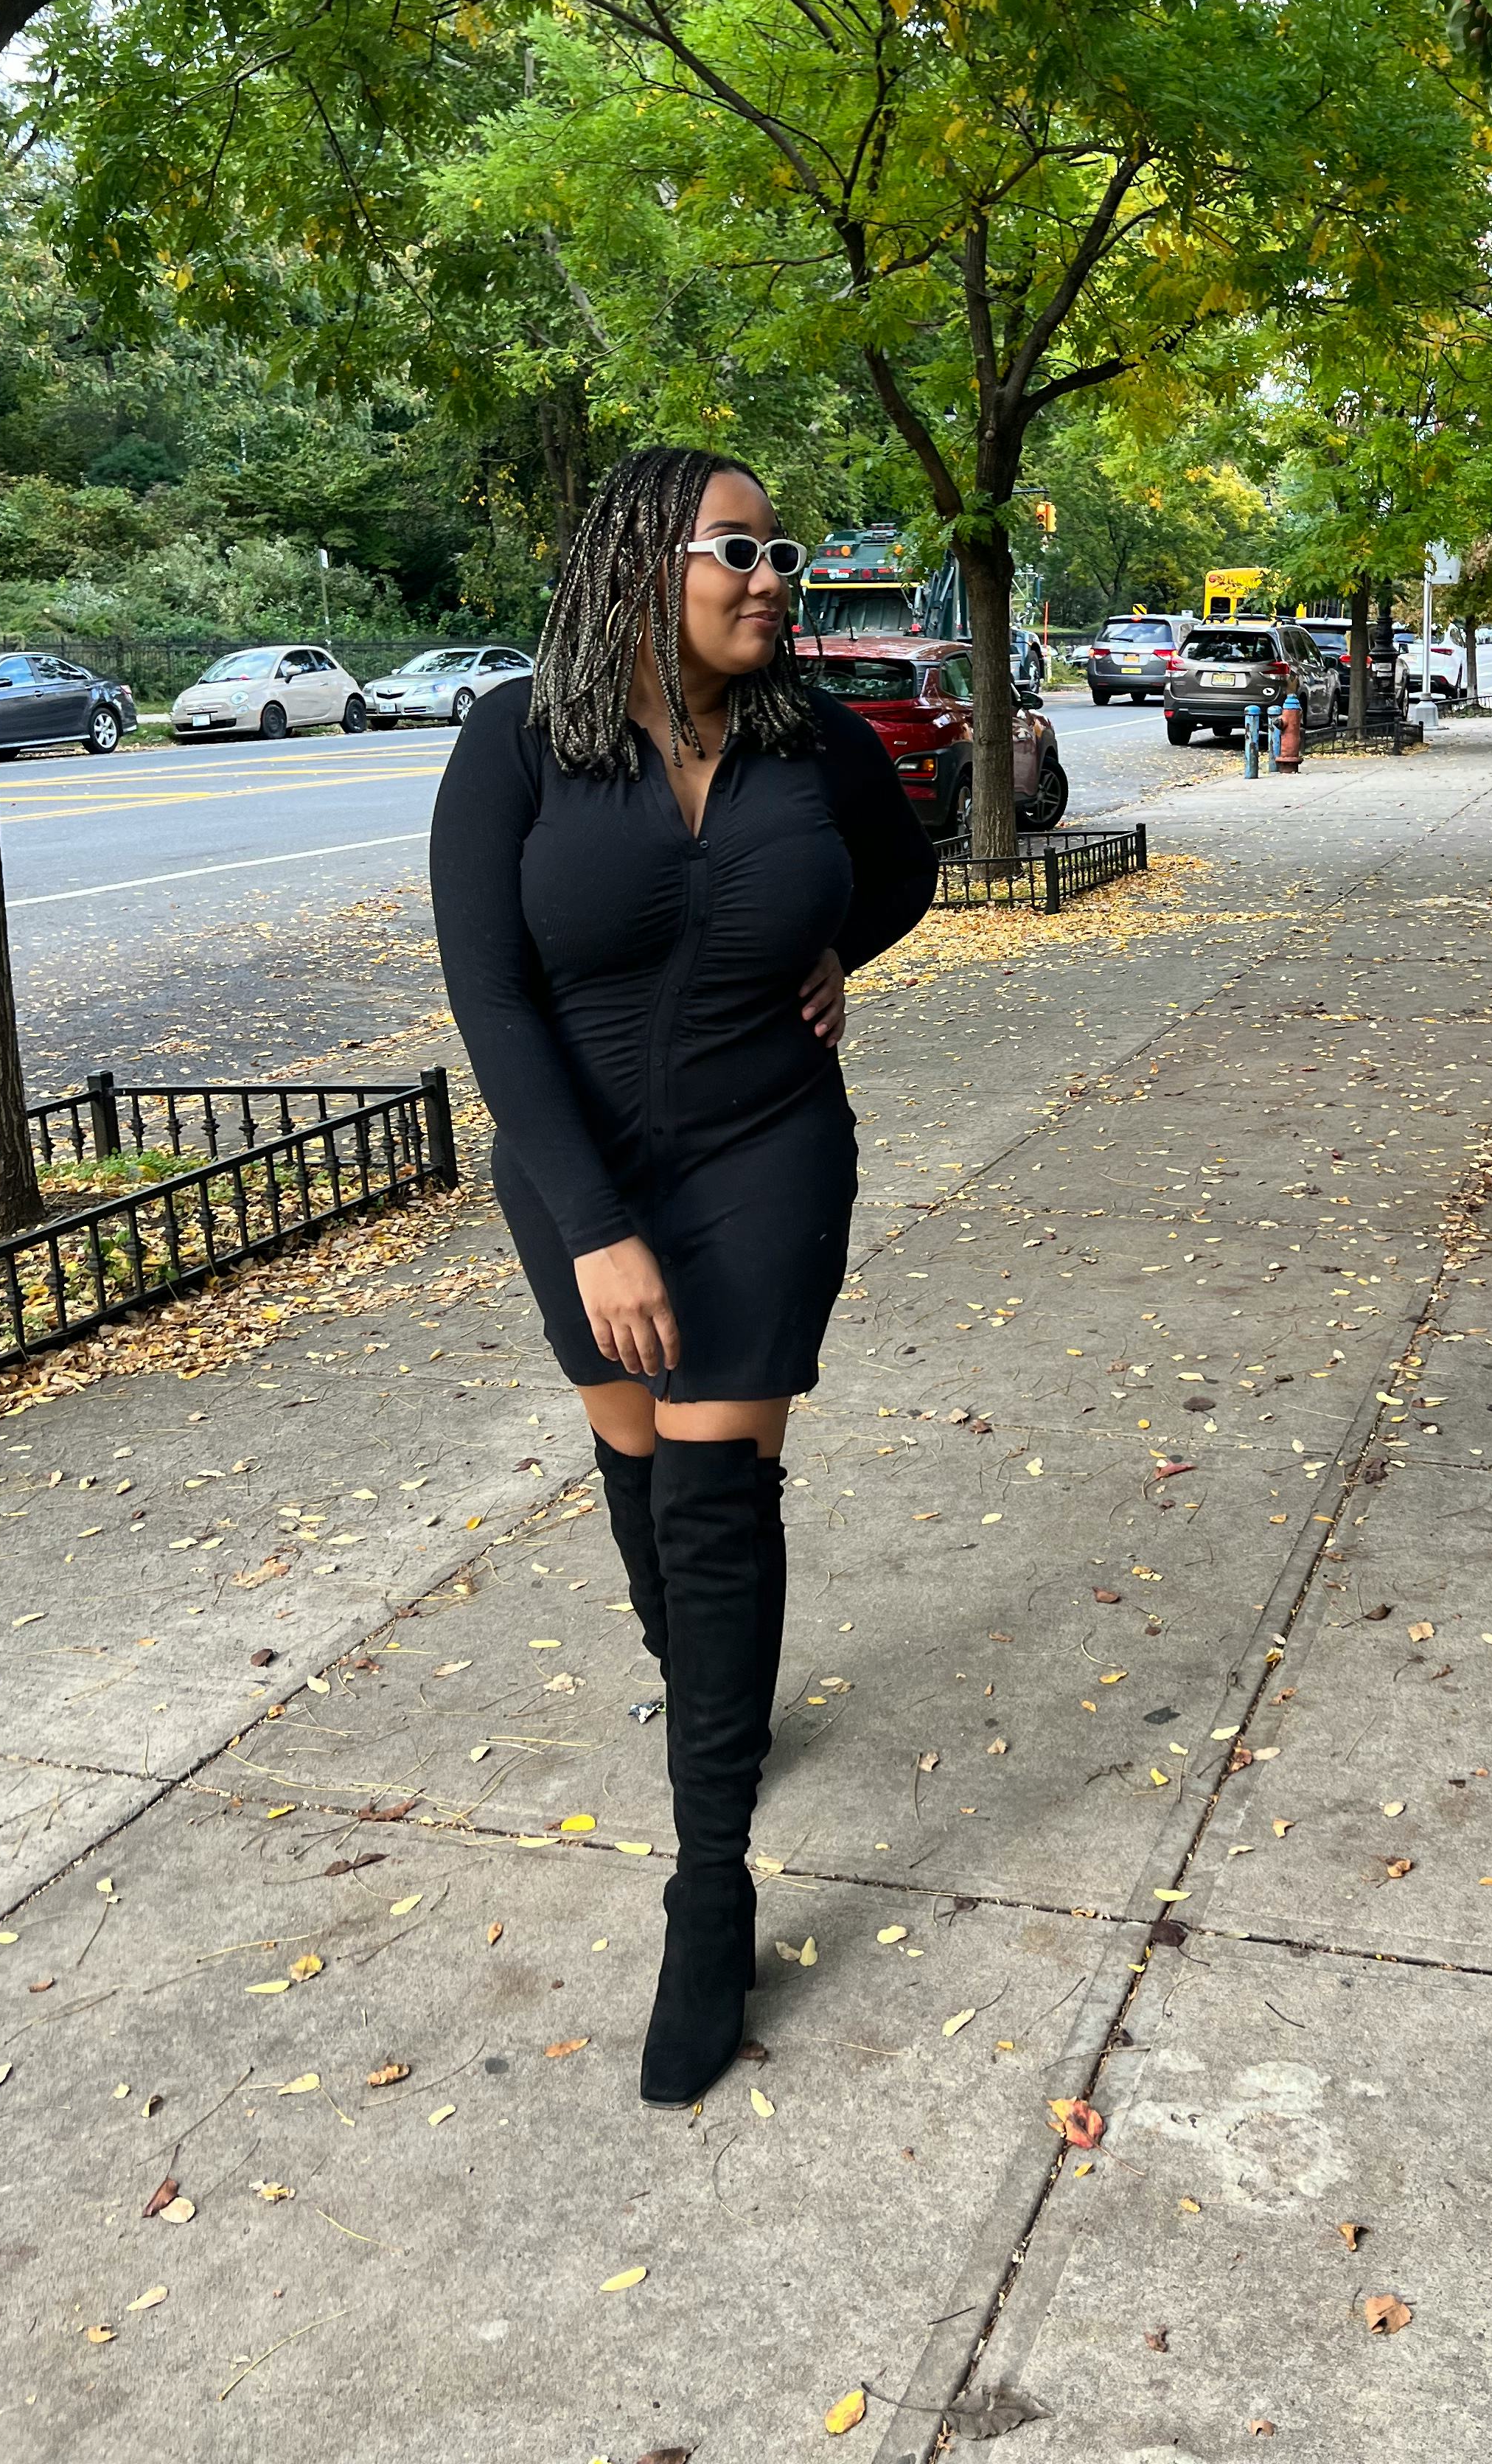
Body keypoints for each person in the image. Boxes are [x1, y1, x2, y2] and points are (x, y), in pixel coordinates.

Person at [430, 445, 937, 2106]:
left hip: (767, 1149)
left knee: (718, 1494)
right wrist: (594, 1225)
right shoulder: (517, 740)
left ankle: (709, 1887)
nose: (772, 578)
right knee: (637, 1463)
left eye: (781, 553)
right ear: (640, 563)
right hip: (577, 1169)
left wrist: (836, 953)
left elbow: (908, 874)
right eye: (737, 550)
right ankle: (698, 1678)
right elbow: (493, 1000)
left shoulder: (819, 742)